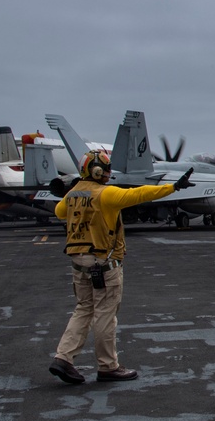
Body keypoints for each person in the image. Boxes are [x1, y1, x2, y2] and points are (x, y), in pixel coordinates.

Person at [48, 150, 193, 385]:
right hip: (103, 263)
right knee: (105, 314)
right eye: (105, 168)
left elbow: (59, 211)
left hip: (78, 263)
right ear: (96, 170)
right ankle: (108, 366)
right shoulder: (106, 195)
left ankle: (63, 358)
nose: (108, 173)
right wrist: (173, 187)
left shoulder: (73, 195)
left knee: (83, 309)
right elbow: (141, 194)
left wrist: (77, 191)